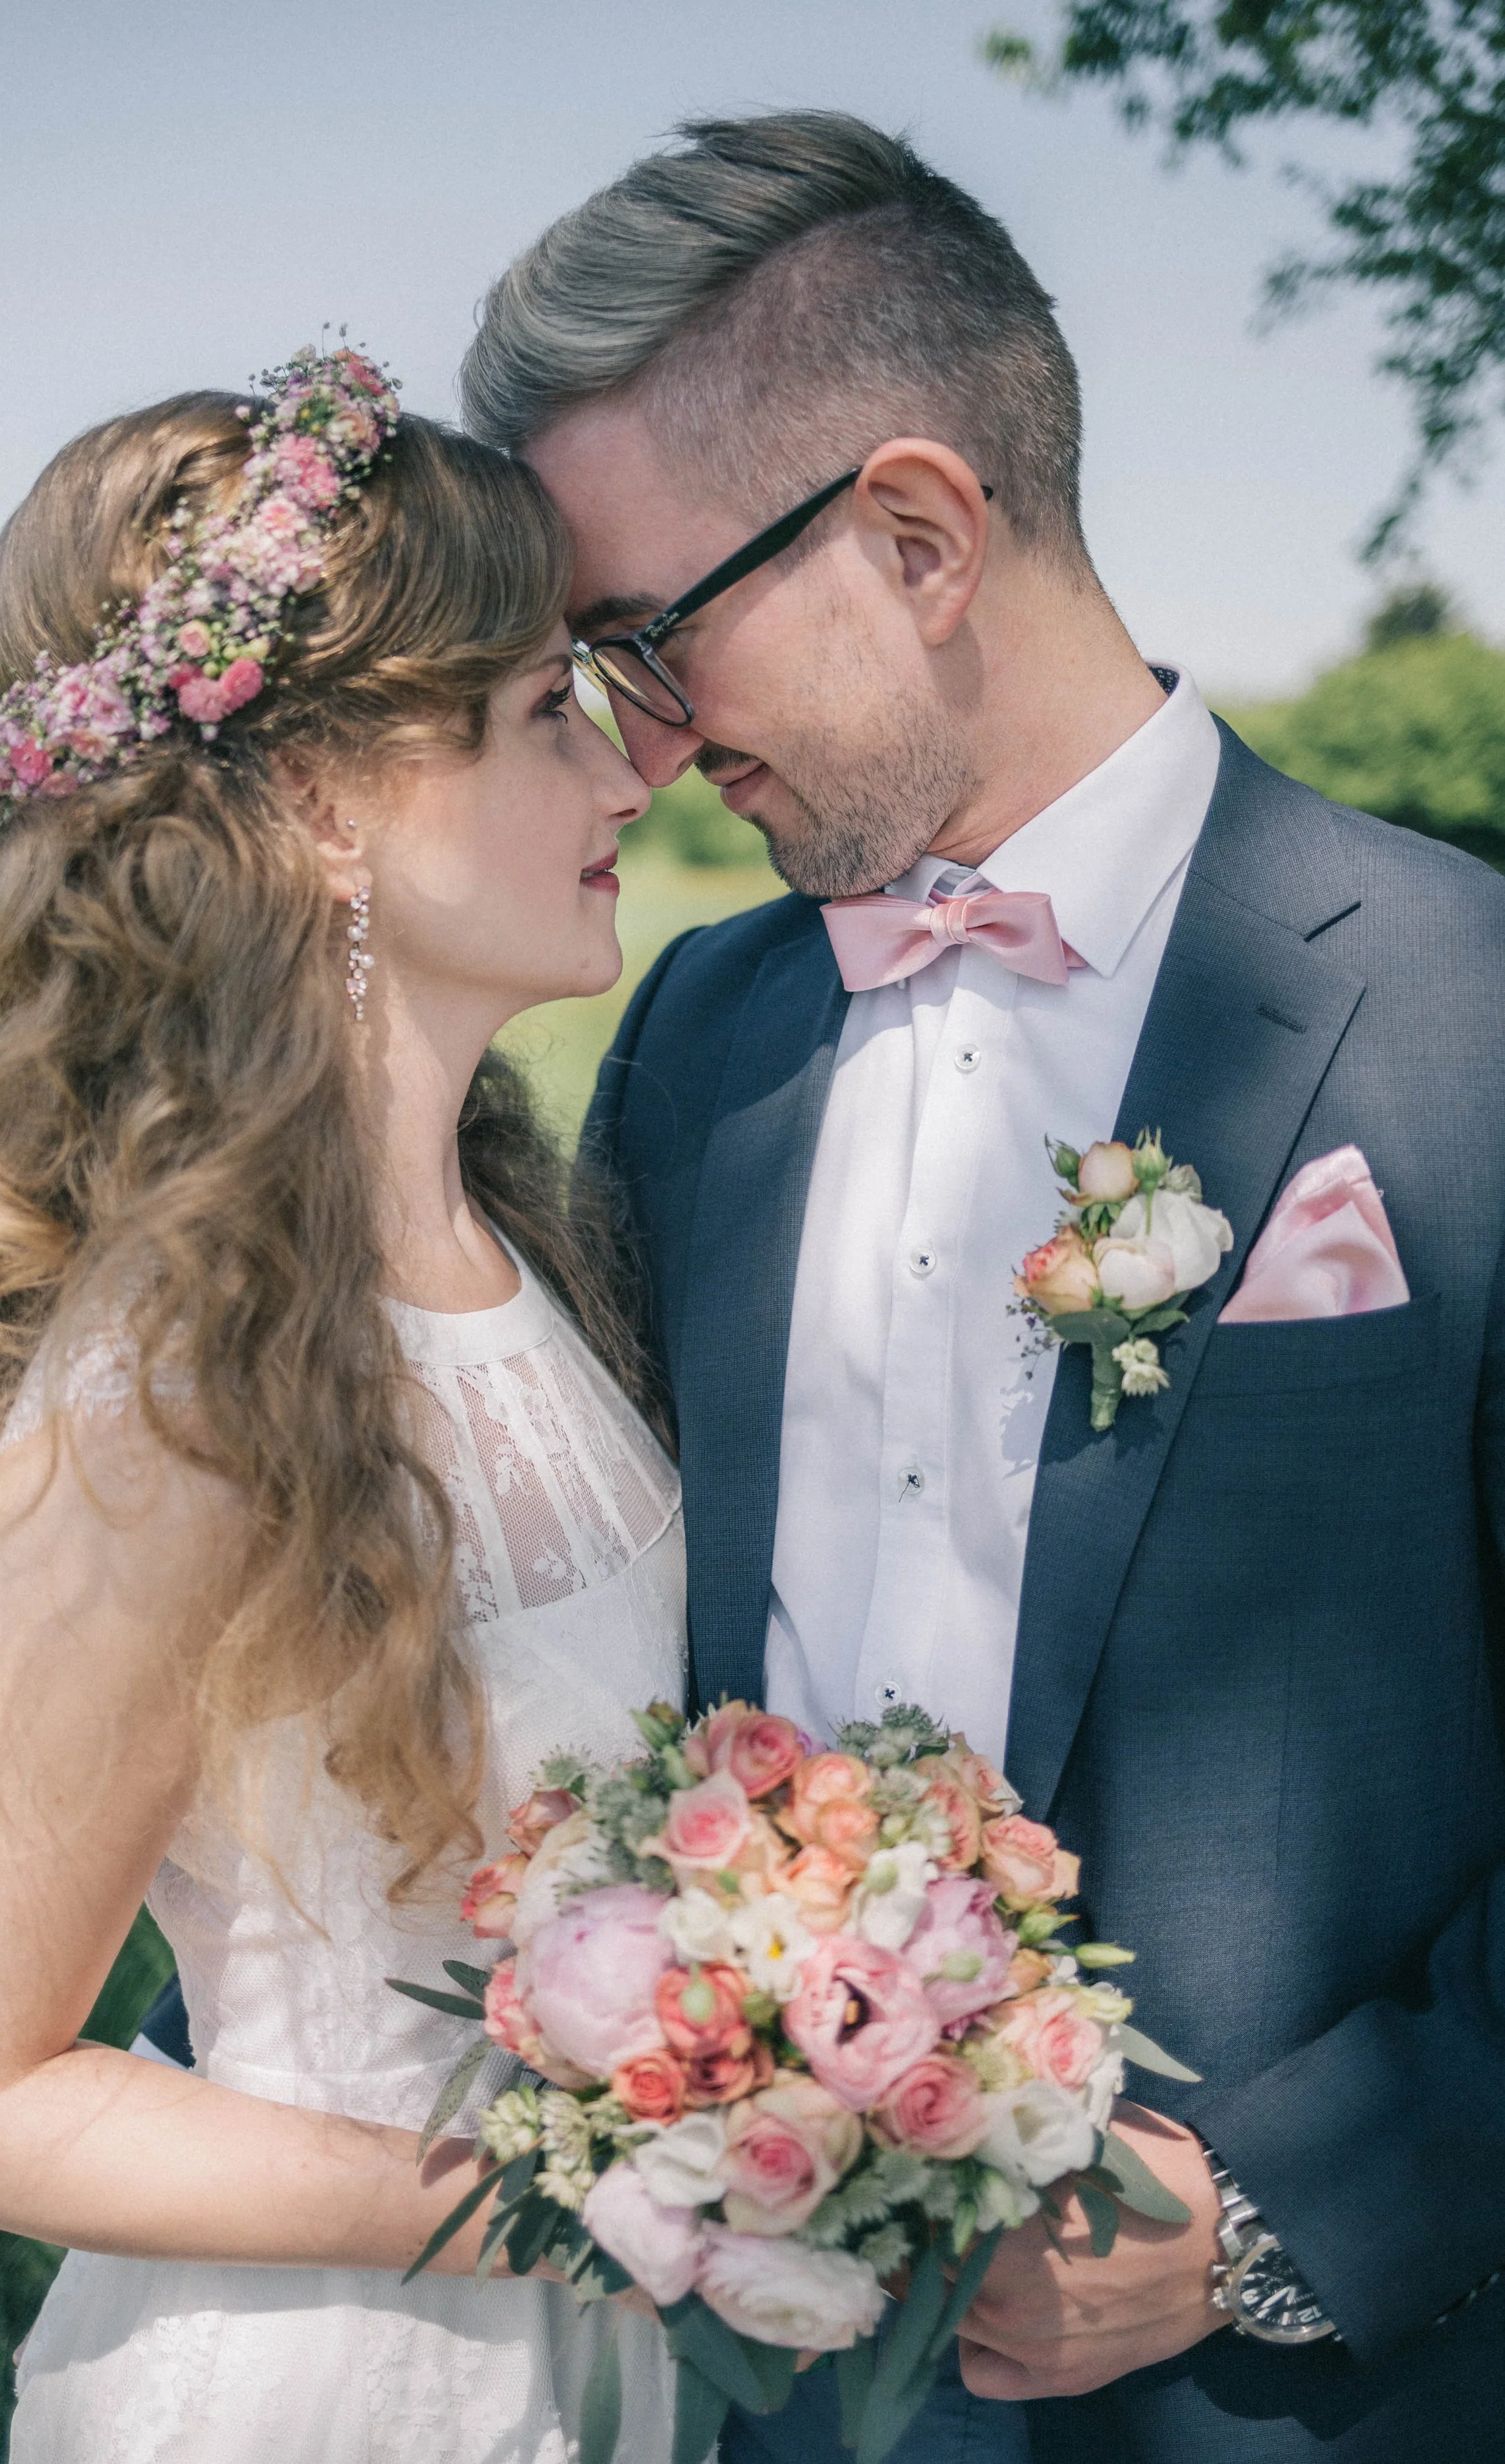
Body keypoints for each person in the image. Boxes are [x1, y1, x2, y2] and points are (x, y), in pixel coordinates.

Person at [458, 110, 1505, 2464]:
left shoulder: (1467, 1013)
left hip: (1301, 2392)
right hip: (760, 2374)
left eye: (648, 631)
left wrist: (1268, 2206)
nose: (636, 729)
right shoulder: (694, 1040)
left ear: (914, 536)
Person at [0, 349, 684, 2463]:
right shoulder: (177, 1390)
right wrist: (571, 2206)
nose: (624, 776)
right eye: (533, 711)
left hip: (592, 2361)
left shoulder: (531, 1246)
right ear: (312, 807)